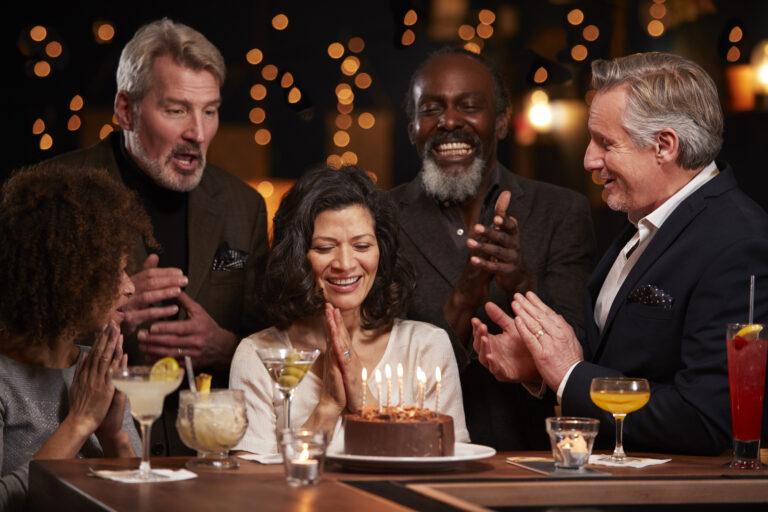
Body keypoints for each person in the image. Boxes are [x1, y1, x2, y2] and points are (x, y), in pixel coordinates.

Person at [473, 52, 768, 455]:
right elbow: (619, 366)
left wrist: (569, 376)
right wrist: (544, 372)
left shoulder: (738, 242)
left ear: (664, 146)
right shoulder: (643, 221)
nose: (589, 160)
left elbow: (705, 419)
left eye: (606, 143)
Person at [43, 18, 269, 455]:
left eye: (210, 110)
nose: (198, 134)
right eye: (176, 110)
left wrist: (227, 348)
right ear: (125, 109)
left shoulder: (245, 206)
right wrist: (100, 317)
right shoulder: (53, 193)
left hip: (210, 462)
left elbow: (273, 337)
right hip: (84, 454)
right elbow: (14, 339)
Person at [388, 47, 596, 449]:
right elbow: (380, 362)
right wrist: (463, 301)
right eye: (431, 109)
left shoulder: (562, 212)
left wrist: (521, 282)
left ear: (501, 122)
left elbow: (580, 354)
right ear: (412, 126)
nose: (449, 121)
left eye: (469, 106)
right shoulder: (380, 218)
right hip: (415, 454)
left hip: (531, 462)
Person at [230, 166, 469, 454]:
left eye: (362, 245)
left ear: (380, 249)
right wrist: (328, 406)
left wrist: (363, 400)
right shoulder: (258, 355)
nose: (345, 263)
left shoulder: (427, 347)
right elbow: (252, 485)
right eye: (324, 248)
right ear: (296, 256)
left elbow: (448, 464)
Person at [0, 164, 149, 511]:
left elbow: (141, 500)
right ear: (68, 279)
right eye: (116, 273)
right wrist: (80, 422)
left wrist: (113, 435)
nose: (129, 287)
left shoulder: (95, 367)